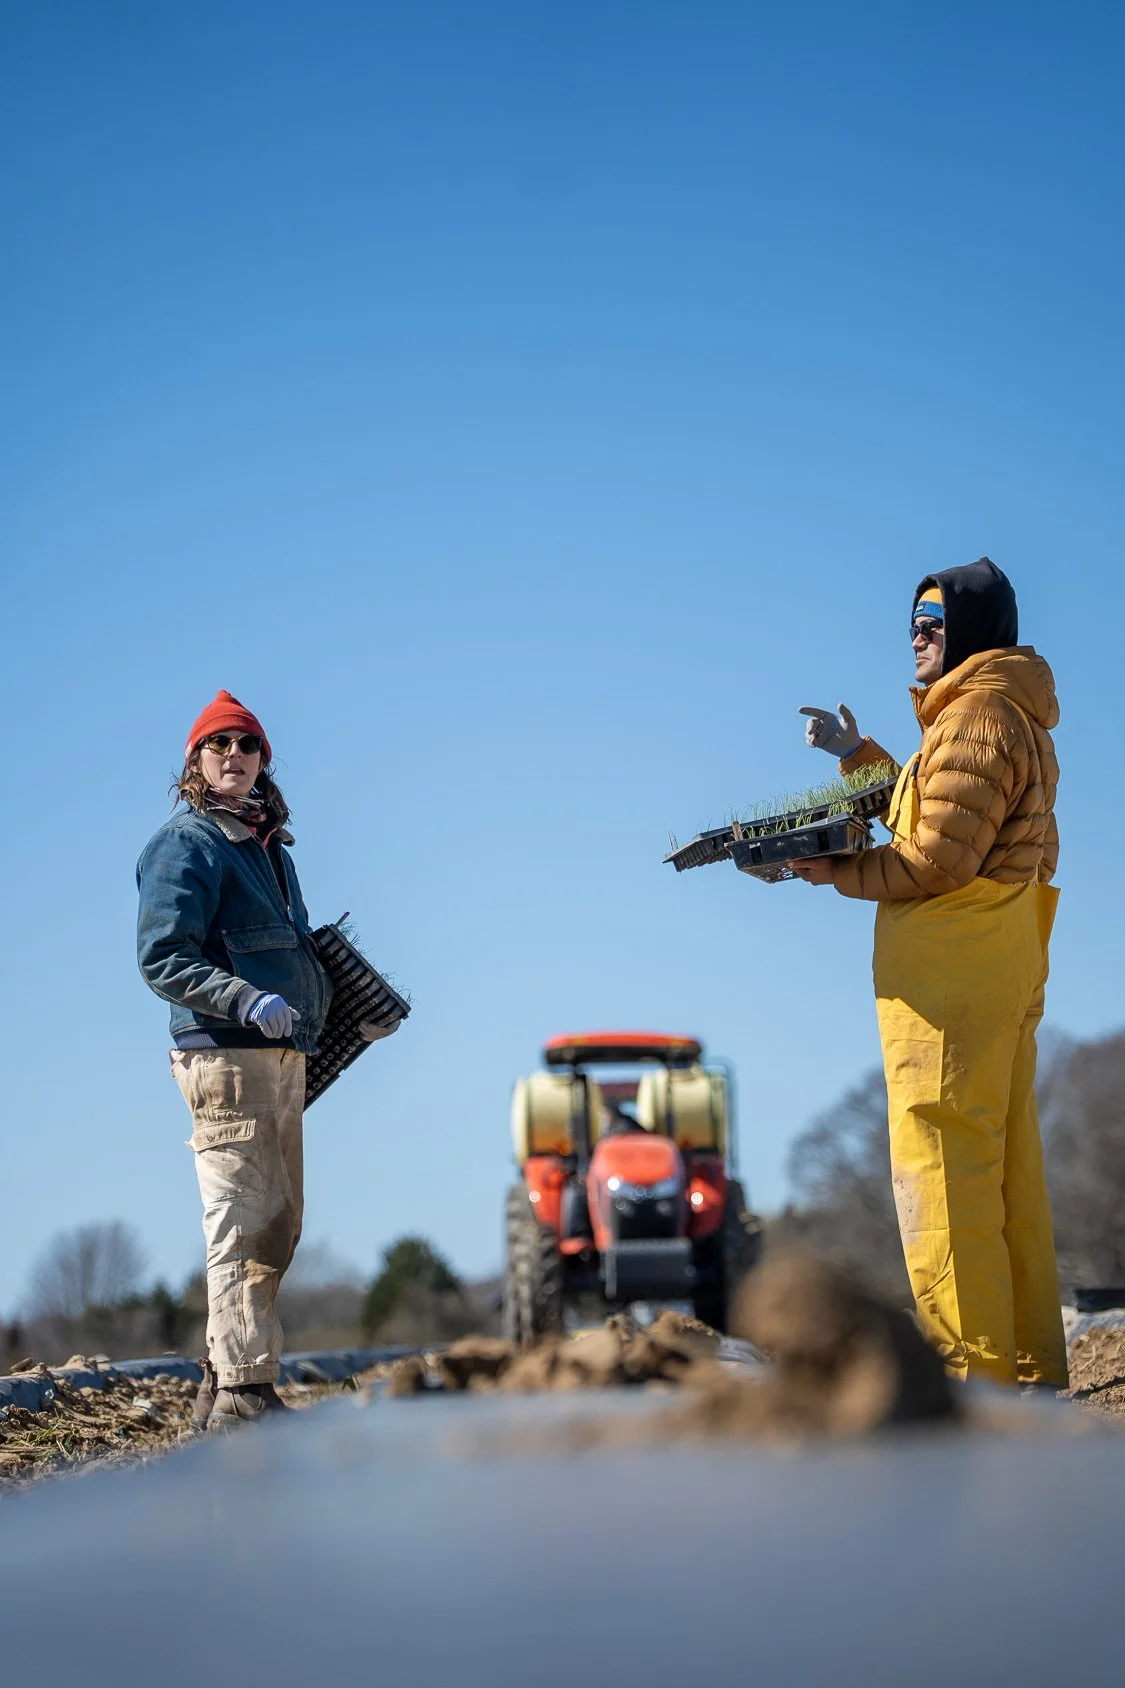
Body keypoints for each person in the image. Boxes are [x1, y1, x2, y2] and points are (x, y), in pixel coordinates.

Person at [794, 559, 1068, 1391]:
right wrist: (858, 757)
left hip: (953, 983)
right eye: (912, 622)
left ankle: (976, 1379)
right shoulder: (985, 714)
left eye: (934, 623)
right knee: (1006, 1175)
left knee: (945, 1179)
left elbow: (933, 862)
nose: (917, 637)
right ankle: (1025, 1372)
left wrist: (826, 869)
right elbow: (932, 806)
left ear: (972, 634)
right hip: (993, 965)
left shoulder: (977, 716)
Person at [137, 691, 336, 1429]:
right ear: (194, 760)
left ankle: (223, 1375)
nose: (232, 755)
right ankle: (245, 1396)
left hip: (279, 1057)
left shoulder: (267, 850)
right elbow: (162, 955)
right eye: (216, 744)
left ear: (262, 763)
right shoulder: (186, 843)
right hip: (224, 1054)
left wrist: (329, 1006)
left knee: (278, 1223)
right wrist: (244, 999)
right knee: (242, 1221)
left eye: (245, 745)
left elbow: (288, 953)